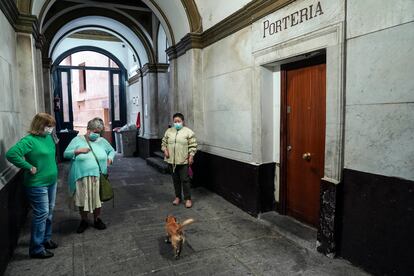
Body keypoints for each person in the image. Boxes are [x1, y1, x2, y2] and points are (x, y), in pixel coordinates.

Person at [6, 113, 58, 259]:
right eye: (48, 126)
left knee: (49, 212)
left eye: (52, 126)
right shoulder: (29, 140)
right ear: (40, 125)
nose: (51, 129)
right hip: (37, 184)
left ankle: (46, 239)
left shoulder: (47, 138)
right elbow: (11, 154)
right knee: (41, 213)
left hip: (51, 181)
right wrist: (28, 166)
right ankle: (36, 248)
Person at [63, 118, 115, 233]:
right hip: (82, 176)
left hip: (98, 176)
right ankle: (84, 220)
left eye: (99, 132)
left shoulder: (102, 141)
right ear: (88, 129)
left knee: (97, 199)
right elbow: (65, 154)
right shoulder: (77, 140)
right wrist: (78, 151)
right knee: (82, 199)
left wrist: (110, 158)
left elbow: (112, 151)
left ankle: (96, 219)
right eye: (94, 131)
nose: (96, 134)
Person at [161, 113, 197, 208]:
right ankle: (177, 197)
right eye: (175, 121)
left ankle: (188, 199)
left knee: (185, 180)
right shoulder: (169, 131)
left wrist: (191, 156)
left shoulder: (188, 132)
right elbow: (164, 142)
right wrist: (165, 150)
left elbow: (193, 145)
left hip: (183, 161)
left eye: (179, 121)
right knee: (175, 180)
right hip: (171, 161)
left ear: (182, 121)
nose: (177, 123)